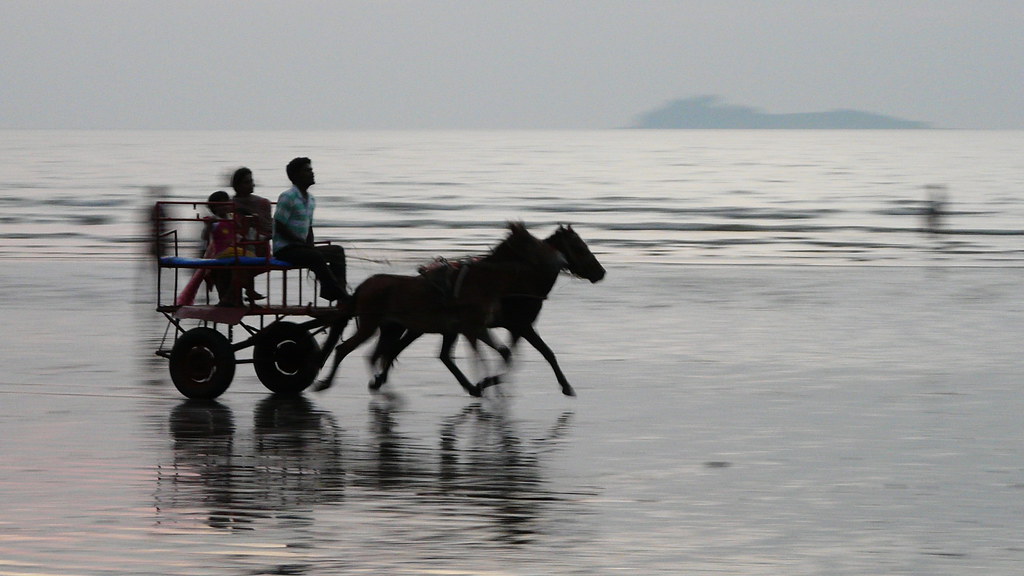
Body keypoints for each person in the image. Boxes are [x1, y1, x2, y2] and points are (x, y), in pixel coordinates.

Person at [272, 157, 348, 302]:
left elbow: (309, 227)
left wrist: (310, 245)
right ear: (295, 176)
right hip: (285, 250)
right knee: (315, 256)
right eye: (307, 171)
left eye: (311, 170)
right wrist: (299, 242)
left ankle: (336, 290)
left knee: (337, 251)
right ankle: (339, 294)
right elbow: (279, 225)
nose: (312, 173)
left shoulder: (311, 199)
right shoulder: (288, 196)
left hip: (302, 249)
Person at [230, 167, 272, 256]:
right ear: (237, 186)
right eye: (247, 182)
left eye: (251, 181)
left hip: (258, 246)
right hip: (235, 246)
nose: (252, 185)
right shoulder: (229, 205)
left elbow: (268, 229)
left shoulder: (263, 203)